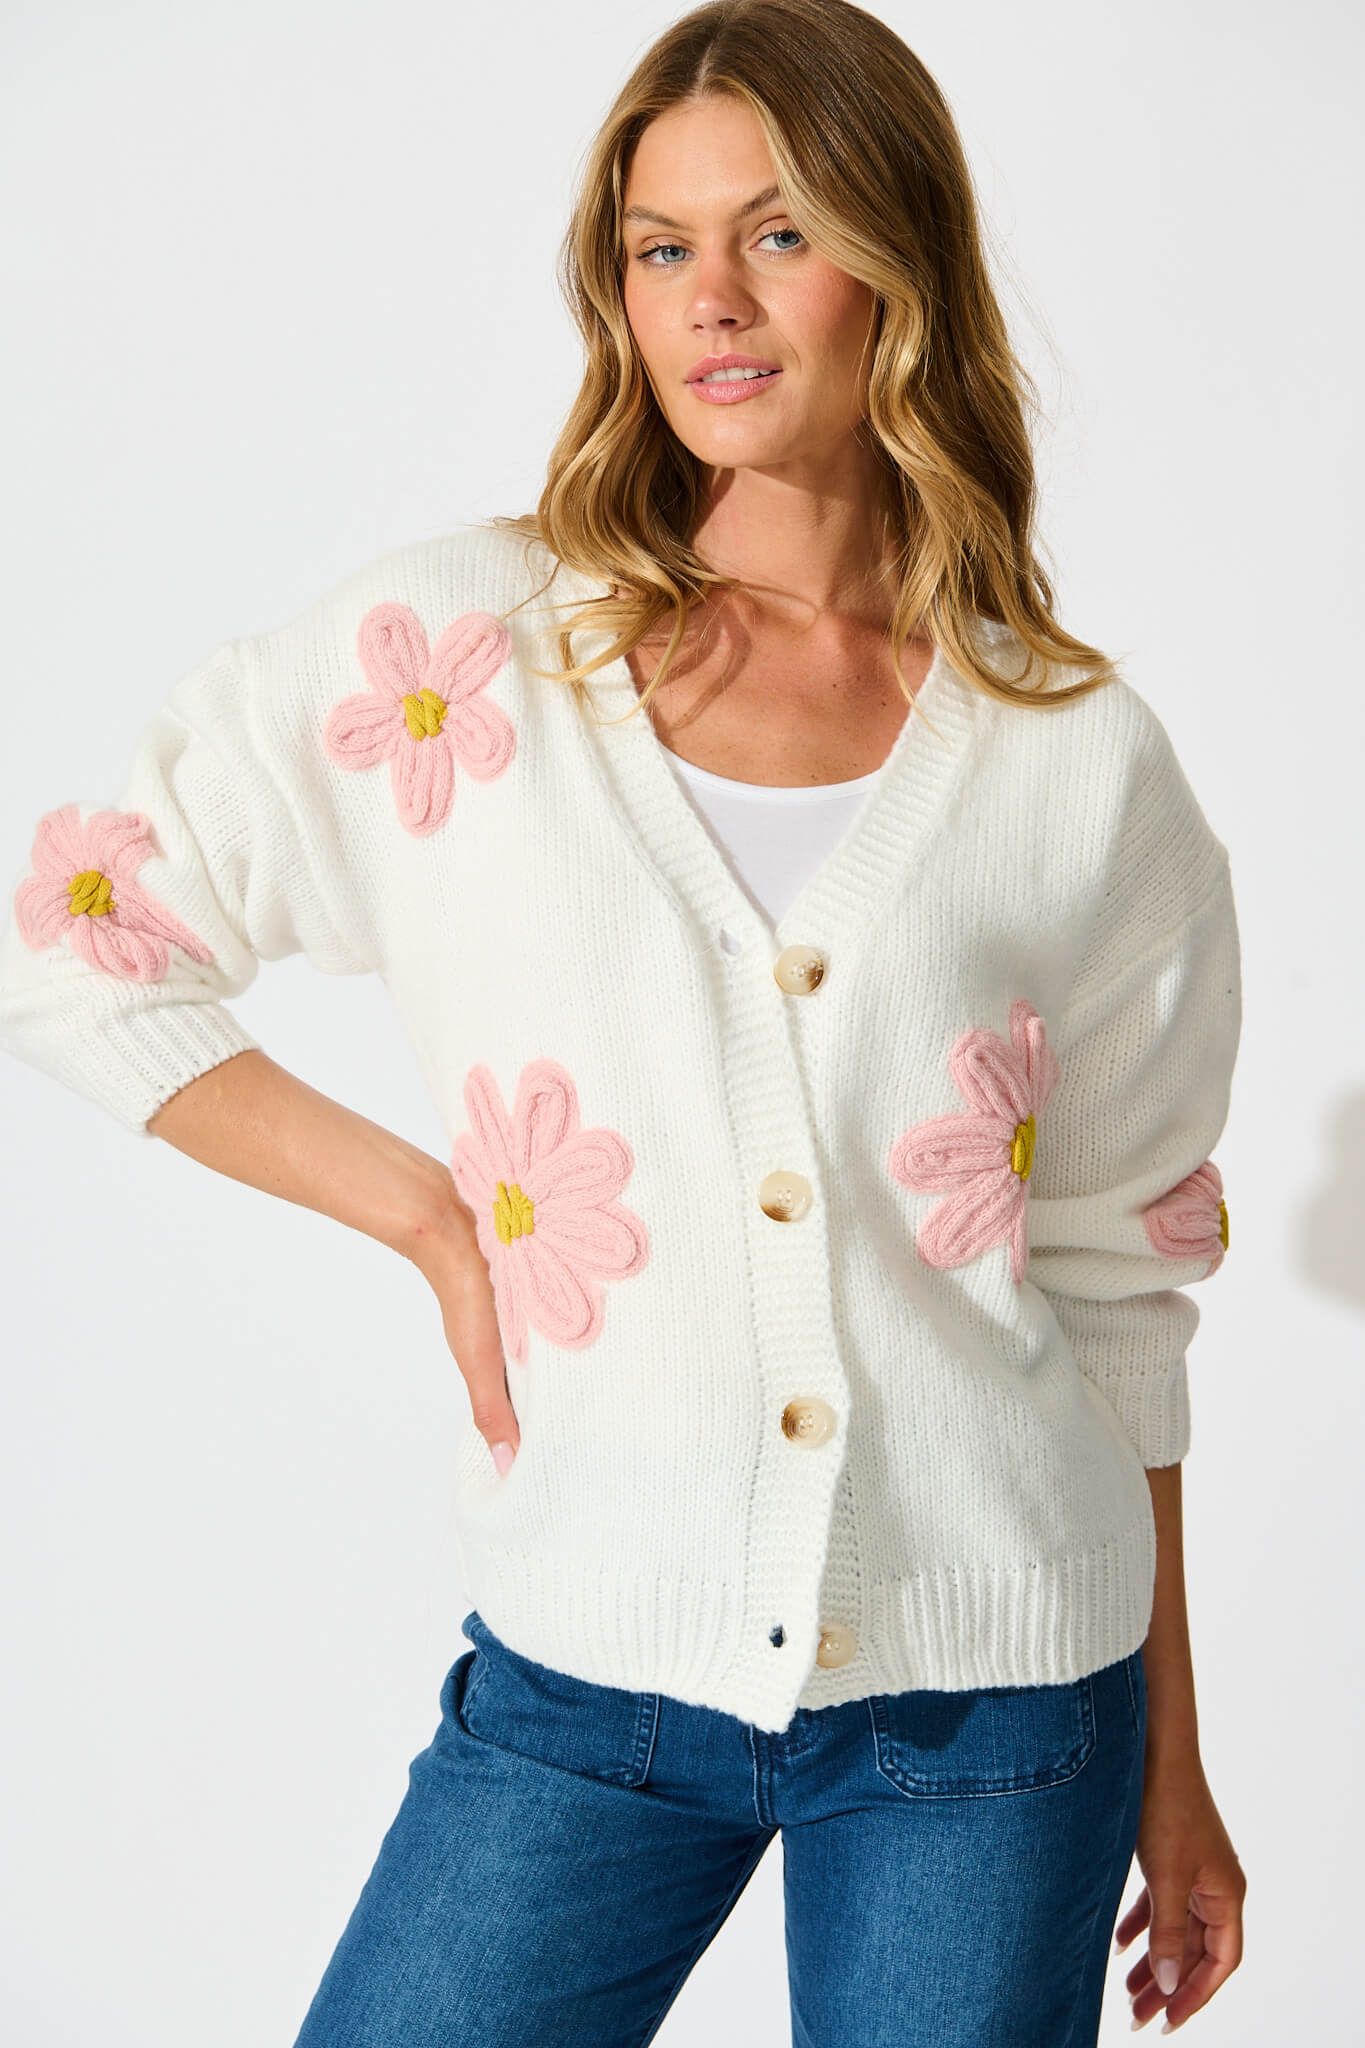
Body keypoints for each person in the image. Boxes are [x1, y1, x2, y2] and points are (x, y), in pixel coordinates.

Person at [0, 1, 1248, 2042]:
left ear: (898, 266)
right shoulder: (463, 659)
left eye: (778, 233)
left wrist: (1172, 1772)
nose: (710, 300)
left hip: (995, 1707)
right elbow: (76, 932)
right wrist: (426, 1212)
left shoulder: (1071, 754)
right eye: (661, 246)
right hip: (587, 1669)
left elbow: (1118, 1291)